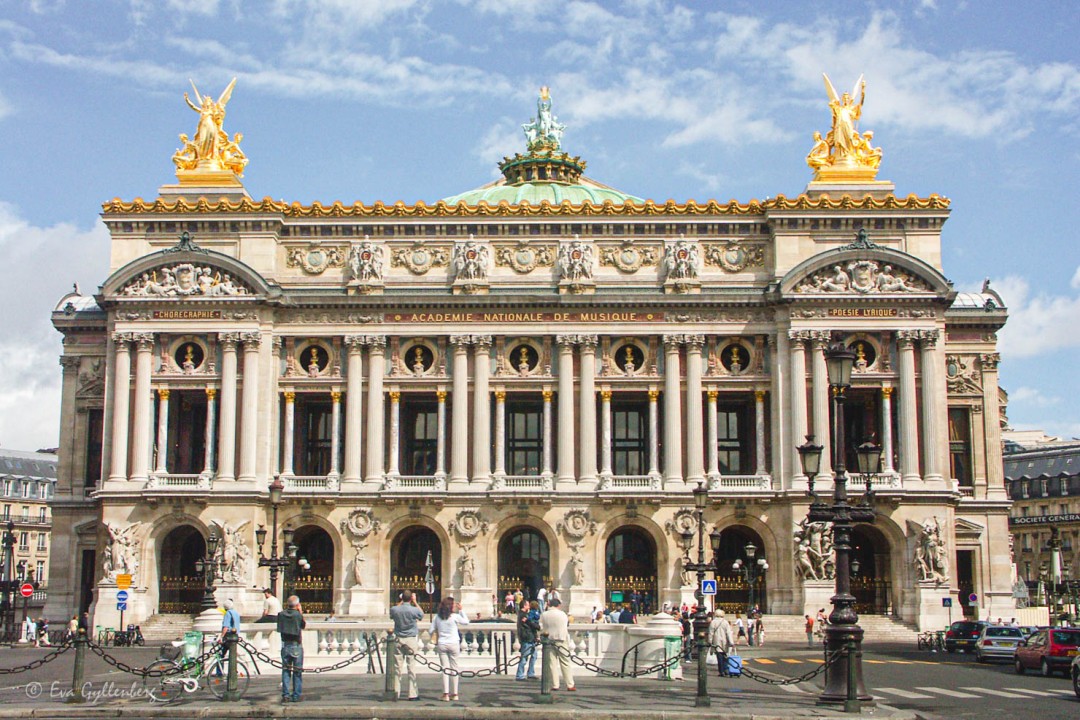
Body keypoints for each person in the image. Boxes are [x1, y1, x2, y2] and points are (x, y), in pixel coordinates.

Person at [429, 597, 470, 701]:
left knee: (445, 669)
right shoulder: (454, 616)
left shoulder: (437, 617)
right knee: (454, 669)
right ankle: (455, 693)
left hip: (442, 643)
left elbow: (431, 630)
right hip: (454, 643)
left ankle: (446, 693)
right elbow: (466, 622)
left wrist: (438, 631)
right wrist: (461, 610)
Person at [389, 590, 424, 700]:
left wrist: (400, 602)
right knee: (411, 667)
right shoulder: (414, 610)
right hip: (411, 640)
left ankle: (396, 692)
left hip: (398, 639)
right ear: (411, 599)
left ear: (401, 598)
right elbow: (421, 614)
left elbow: (392, 613)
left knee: (397, 668)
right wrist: (415, 602)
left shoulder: (395, 609)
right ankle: (412, 694)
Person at [539, 598, 575, 691]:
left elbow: (541, 626)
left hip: (549, 641)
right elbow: (566, 625)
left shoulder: (544, 614)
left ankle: (555, 684)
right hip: (561, 639)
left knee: (552, 663)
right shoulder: (562, 614)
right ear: (558, 605)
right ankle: (570, 684)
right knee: (565, 662)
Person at [276, 595, 306, 703]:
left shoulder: (281, 614)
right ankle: (296, 695)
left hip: (285, 644)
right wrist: (301, 612)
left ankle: (285, 694)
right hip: (296, 645)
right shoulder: (298, 615)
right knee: (297, 672)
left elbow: (279, 628)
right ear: (297, 605)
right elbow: (303, 625)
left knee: (286, 671)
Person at [516, 600, 540, 681]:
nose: (529, 606)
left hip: (531, 637)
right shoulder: (522, 615)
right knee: (524, 657)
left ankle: (531, 673)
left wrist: (536, 635)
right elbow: (531, 625)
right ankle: (520, 675)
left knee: (534, 656)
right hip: (527, 638)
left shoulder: (526, 615)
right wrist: (536, 626)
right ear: (524, 606)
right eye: (527, 605)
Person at [709, 609, 735, 677]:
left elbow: (711, 633)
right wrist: (731, 642)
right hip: (725, 642)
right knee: (725, 656)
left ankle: (721, 671)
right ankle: (726, 669)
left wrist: (709, 642)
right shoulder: (725, 622)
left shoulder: (713, 622)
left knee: (719, 657)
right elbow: (728, 633)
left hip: (716, 641)